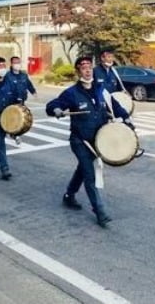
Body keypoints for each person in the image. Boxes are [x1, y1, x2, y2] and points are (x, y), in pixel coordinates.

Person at [46, 56, 134, 228]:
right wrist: (56, 109)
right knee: (89, 175)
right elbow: (52, 105)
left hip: (98, 140)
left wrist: (127, 119)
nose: (87, 70)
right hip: (80, 141)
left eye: (89, 66)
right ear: (78, 71)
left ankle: (69, 196)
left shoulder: (101, 90)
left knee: (82, 170)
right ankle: (100, 211)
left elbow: (115, 106)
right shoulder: (71, 93)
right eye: (83, 67)